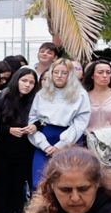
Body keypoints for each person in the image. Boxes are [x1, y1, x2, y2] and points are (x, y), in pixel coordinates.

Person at [0, 67, 40, 213]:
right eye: (24, 80)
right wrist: (8, 130)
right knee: (2, 189)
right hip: (3, 151)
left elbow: (44, 121)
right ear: (16, 80)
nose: (27, 85)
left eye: (31, 82)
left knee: (19, 190)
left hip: (26, 151)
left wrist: (35, 127)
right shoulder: (0, 99)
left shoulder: (36, 101)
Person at [25, 57, 89, 188]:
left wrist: (61, 145)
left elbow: (80, 123)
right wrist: (44, 145)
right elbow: (33, 120)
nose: (59, 76)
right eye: (56, 72)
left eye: (64, 73)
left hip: (70, 140)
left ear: (70, 75)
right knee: (40, 183)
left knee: (67, 182)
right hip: (44, 140)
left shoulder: (80, 94)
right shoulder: (41, 94)